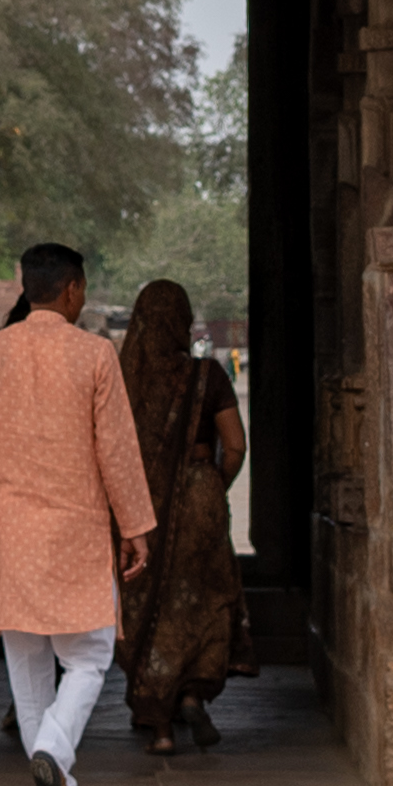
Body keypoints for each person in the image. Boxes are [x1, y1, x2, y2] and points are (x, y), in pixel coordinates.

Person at [0, 239, 155, 786]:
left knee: (27, 665)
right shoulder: (94, 355)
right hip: (75, 533)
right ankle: (54, 757)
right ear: (72, 291)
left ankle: (50, 780)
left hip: (10, 537)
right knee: (89, 657)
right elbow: (116, 449)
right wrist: (135, 525)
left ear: (23, 287)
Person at [113, 275, 247, 755]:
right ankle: (192, 695)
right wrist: (210, 484)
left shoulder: (121, 381)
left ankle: (161, 725)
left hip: (138, 508)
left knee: (146, 606)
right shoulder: (207, 376)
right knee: (201, 598)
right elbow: (234, 445)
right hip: (199, 499)